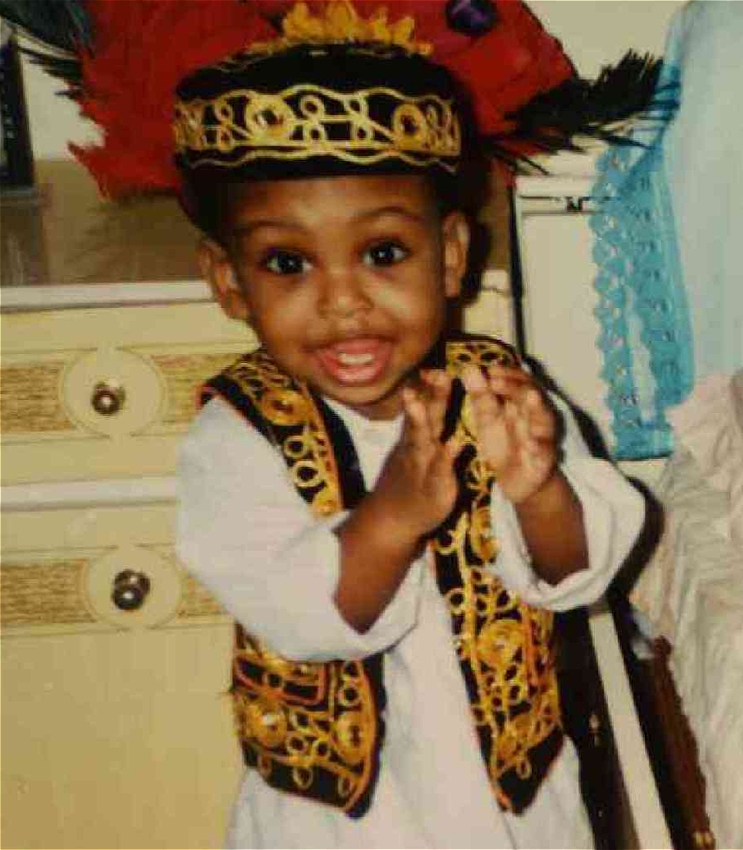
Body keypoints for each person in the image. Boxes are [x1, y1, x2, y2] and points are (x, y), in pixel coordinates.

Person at [5, 1, 659, 846]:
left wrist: (538, 493)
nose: (342, 300)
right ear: (230, 282)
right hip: (338, 823)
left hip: (516, 812)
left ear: (452, 256)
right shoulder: (237, 437)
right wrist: (391, 515)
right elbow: (296, 615)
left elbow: (583, 564)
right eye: (287, 263)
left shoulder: (498, 391)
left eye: (384, 253)